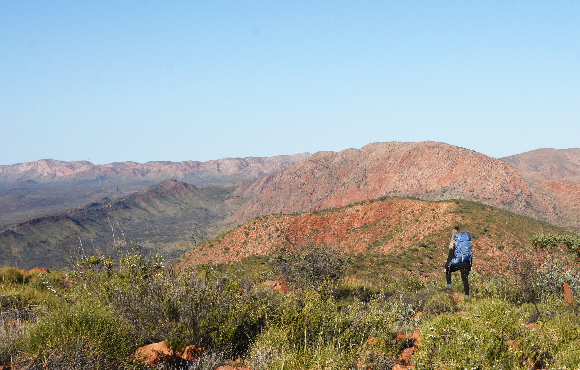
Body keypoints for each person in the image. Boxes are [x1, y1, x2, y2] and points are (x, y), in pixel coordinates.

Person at [443, 226, 472, 299]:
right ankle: (466, 297)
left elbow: (450, 257)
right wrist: (470, 265)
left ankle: (449, 288)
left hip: (458, 263)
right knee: (465, 280)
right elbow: (469, 253)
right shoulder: (464, 243)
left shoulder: (454, 244)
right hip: (466, 263)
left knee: (448, 270)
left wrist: (446, 267)